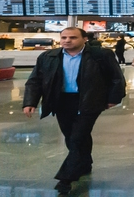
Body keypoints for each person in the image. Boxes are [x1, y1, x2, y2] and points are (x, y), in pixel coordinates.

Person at [22, 27, 126, 195]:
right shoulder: (49, 56)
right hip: (61, 101)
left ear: (84, 39)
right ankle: (85, 163)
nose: (67, 40)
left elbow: (116, 77)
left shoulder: (100, 55)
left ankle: (66, 179)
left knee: (77, 137)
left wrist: (114, 98)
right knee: (72, 137)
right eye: (64, 37)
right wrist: (30, 101)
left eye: (72, 37)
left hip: (89, 100)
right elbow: (35, 80)